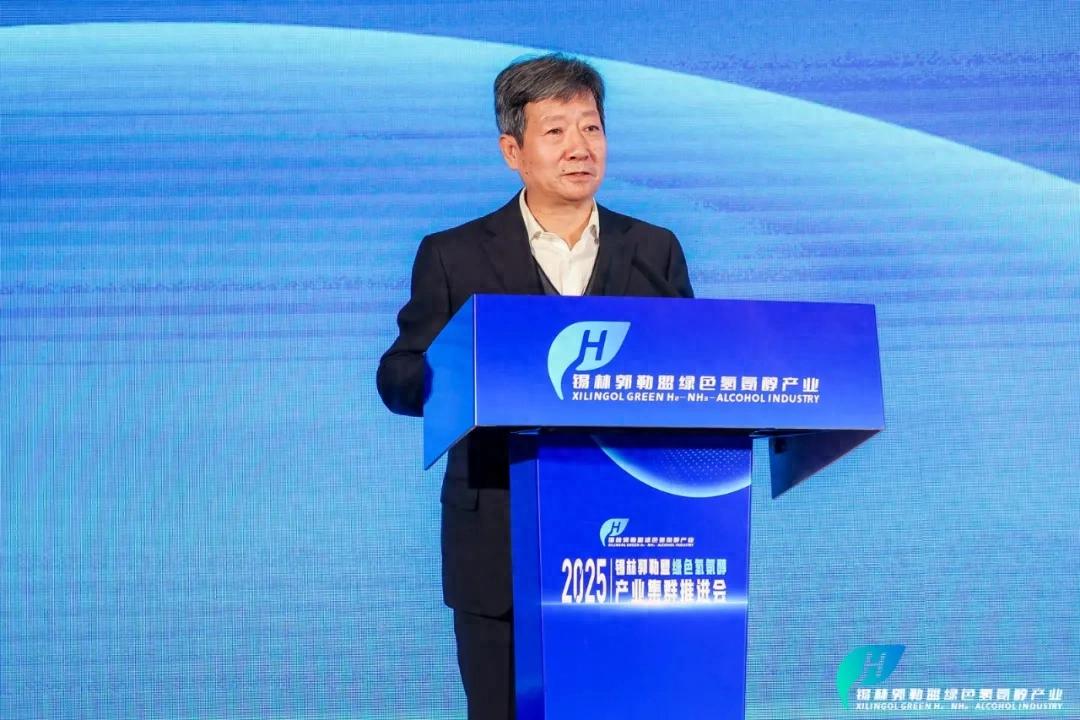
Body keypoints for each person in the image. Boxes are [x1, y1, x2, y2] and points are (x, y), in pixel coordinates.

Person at [376, 53, 694, 720]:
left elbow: (693, 371)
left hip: (628, 542)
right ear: (512, 151)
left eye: (591, 128)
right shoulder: (454, 254)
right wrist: (467, 370)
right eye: (556, 131)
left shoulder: (653, 250)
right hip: (499, 544)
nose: (580, 147)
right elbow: (400, 374)